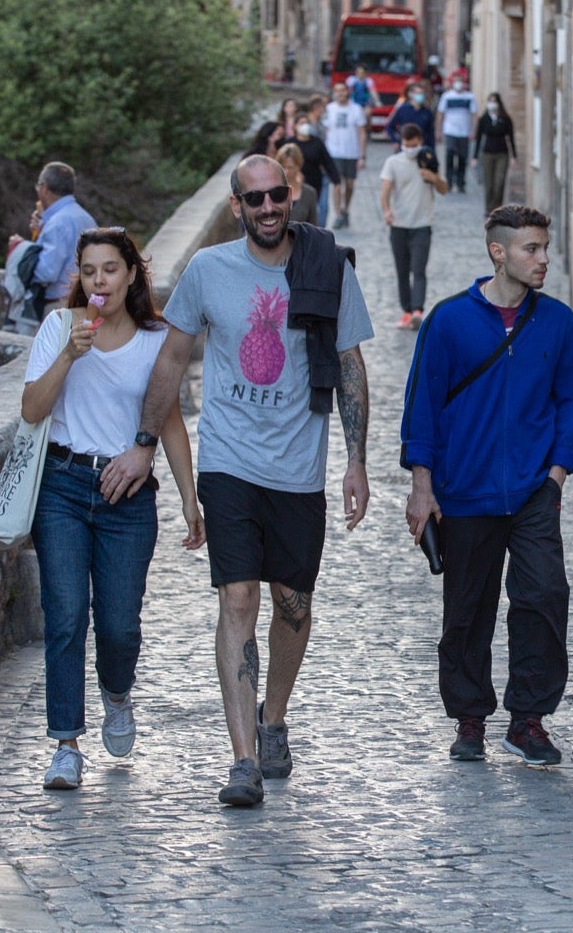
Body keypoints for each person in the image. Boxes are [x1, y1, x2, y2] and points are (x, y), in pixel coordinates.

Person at [102, 154, 373, 808]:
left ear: (292, 195)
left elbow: (350, 363)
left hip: (298, 466)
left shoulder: (327, 267)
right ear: (237, 207)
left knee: (293, 603)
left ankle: (274, 717)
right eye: (255, 199)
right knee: (239, 600)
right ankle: (244, 759)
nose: (268, 207)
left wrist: (356, 459)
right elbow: (172, 358)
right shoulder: (207, 270)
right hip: (229, 462)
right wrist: (143, 444)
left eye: (277, 195)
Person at [401, 205, 573, 767]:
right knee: (467, 608)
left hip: (534, 491)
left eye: (545, 248)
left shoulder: (557, 323)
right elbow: (423, 406)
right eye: (531, 249)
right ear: (498, 252)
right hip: (464, 490)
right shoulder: (449, 321)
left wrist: (556, 474)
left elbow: (571, 402)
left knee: (544, 597)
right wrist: (421, 486)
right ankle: (470, 719)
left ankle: (528, 720)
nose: (544, 260)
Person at [21, 227, 203, 790]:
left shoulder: (155, 339)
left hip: (128, 498)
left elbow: (168, 422)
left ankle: (117, 694)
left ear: (131, 275)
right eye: (90, 271)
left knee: (120, 626)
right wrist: (68, 358)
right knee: (67, 614)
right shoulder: (59, 329)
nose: (100, 281)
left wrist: (190, 499)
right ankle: (65, 744)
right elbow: (31, 409)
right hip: (63, 486)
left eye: (111, 270)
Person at [380, 124, 448, 329]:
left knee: (418, 269)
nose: (410, 148)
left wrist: (433, 177)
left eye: (414, 145)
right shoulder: (393, 162)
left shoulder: (428, 159)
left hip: (422, 224)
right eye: (407, 145)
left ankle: (418, 310)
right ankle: (406, 312)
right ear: (402, 143)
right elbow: (385, 190)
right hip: (399, 225)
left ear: (420, 141)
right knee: (402, 270)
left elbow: (444, 189)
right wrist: (386, 211)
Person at [27, 162, 98, 311]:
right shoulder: (87, 218)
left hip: (59, 305)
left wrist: (21, 254)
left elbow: (46, 272)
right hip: (86, 302)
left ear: (44, 189)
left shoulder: (57, 223)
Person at [323, 82, 369, 228]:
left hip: (351, 152)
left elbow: (362, 133)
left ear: (347, 92)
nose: (340, 93)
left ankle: (346, 209)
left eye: (342, 90)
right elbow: (324, 131)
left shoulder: (356, 109)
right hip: (333, 152)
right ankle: (338, 214)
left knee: (349, 184)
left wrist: (362, 155)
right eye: (337, 90)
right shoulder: (329, 109)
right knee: (337, 184)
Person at [294, 111, 342, 227]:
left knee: (323, 208)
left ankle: (321, 231)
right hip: (298, 183)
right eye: (301, 123)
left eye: (307, 123)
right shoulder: (291, 143)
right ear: (295, 126)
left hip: (317, 181)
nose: (305, 125)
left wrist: (336, 180)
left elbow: (327, 161)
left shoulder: (317, 142)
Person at [471, 93, 516, 214]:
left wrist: (514, 155)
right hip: (487, 154)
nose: (492, 104)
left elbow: (511, 137)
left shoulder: (505, 119)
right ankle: (489, 208)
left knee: (499, 182)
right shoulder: (484, 119)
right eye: (490, 101)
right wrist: (474, 156)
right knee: (489, 184)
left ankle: (498, 208)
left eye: (494, 101)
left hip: (502, 154)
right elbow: (479, 138)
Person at [437, 76, 478, 193]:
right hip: (450, 131)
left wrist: (473, 131)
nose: (458, 84)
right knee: (449, 156)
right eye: (456, 81)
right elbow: (440, 114)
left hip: (464, 132)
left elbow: (475, 115)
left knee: (462, 158)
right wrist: (439, 131)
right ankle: (449, 182)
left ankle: (460, 183)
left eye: (460, 81)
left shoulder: (470, 97)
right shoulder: (446, 96)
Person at [278, 143, 319, 227]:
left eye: (290, 167)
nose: (286, 171)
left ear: (298, 166)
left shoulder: (309, 193)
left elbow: (313, 225)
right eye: (283, 167)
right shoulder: (270, 191)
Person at [386, 81, 436, 150]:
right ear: (411, 94)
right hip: (404, 148)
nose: (420, 95)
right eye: (418, 93)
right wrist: (394, 141)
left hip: (421, 148)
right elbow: (389, 127)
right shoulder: (403, 109)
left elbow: (431, 134)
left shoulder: (427, 112)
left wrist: (431, 150)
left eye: (422, 93)